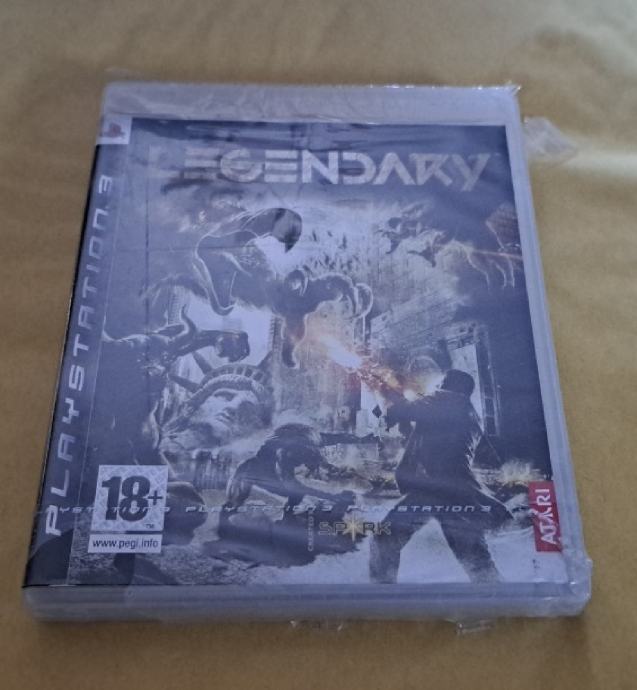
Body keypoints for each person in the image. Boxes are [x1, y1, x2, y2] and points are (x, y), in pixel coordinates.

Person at [369, 369, 510, 584]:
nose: (435, 386)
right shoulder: (469, 411)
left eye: (439, 383)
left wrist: (382, 391)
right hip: (455, 489)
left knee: (384, 539)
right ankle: (498, 595)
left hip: (433, 487)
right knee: (475, 558)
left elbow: (398, 412)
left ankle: (381, 593)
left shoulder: (442, 400)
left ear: (446, 385)